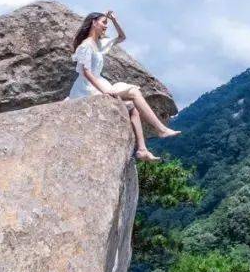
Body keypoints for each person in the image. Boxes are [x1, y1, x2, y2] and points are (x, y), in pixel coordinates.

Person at [68, 10, 179, 162]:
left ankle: (142, 150)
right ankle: (161, 129)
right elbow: (86, 73)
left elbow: (122, 37)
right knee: (133, 91)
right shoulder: (85, 46)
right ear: (93, 22)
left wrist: (114, 20)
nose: (106, 26)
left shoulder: (98, 44)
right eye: (103, 23)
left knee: (132, 107)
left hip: (99, 84)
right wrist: (104, 90)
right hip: (87, 88)